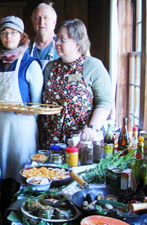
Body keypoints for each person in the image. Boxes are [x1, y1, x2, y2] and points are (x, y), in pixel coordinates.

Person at [0, 16, 43, 216]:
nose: (8, 36)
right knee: (2, 173)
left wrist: (25, 109)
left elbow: (38, 106)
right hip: (0, 128)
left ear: (22, 36)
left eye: (13, 32)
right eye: (4, 32)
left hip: (23, 129)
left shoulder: (31, 64)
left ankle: (22, 213)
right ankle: (3, 213)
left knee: (21, 171)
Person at [39, 18, 113, 149]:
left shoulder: (93, 66)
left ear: (78, 43)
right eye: (57, 39)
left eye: (63, 39)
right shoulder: (50, 67)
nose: (57, 43)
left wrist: (92, 128)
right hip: (51, 142)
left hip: (81, 142)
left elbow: (105, 102)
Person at [29, 3, 59, 69]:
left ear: (54, 22)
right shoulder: (26, 47)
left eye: (46, 18)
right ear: (32, 21)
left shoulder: (62, 45)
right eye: (37, 18)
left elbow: (75, 74)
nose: (41, 22)